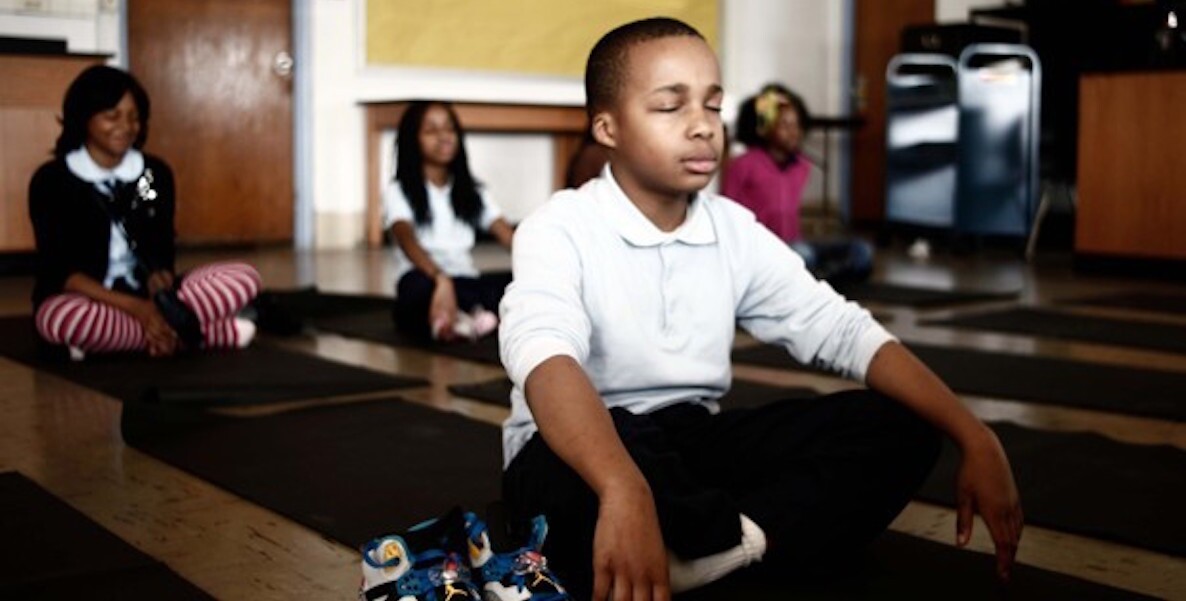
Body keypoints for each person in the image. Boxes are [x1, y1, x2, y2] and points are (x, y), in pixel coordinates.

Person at [498, 17, 1022, 600]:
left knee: (904, 426)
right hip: (580, 450)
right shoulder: (560, 226)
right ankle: (718, 541)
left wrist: (975, 435)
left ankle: (717, 555)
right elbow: (545, 357)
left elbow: (843, 331)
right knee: (580, 479)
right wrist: (624, 488)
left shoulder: (733, 230)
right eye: (670, 106)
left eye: (713, 105)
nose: (702, 126)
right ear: (608, 127)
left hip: (690, 442)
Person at [29, 65, 260, 360]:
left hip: (147, 296)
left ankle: (127, 338)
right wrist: (138, 310)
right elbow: (60, 271)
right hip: (87, 297)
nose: (126, 127)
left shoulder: (152, 175)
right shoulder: (53, 180)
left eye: (134, 117)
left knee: (244, 277)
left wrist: (158, 288)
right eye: (112, 116)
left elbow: (162, 247)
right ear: (83, 117)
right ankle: (197, 334)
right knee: (60, 317)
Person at [384, 101, 515, 342]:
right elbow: (406, 239)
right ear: (413, 139)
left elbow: (507, 235)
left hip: (464, 280)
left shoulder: (474, 191)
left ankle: (458, 318)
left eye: (449, 128)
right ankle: (472, 316)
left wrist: (540, 266)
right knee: (414, 289)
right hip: (427, 278)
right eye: (431, 130)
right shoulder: (399, 190)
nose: (444, 137)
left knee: (513, 281)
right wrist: (440, 278)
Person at [723, 83, 874, 282]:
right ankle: (810, 279)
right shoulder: (743, 165)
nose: (794, 132)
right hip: (761, 254)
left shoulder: (801, 166)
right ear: (766, 128)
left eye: (797, 125)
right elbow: (726, 215)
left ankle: (814, 278)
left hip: (794, 246)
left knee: (862, 251)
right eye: (785, 125)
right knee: (803, 256)